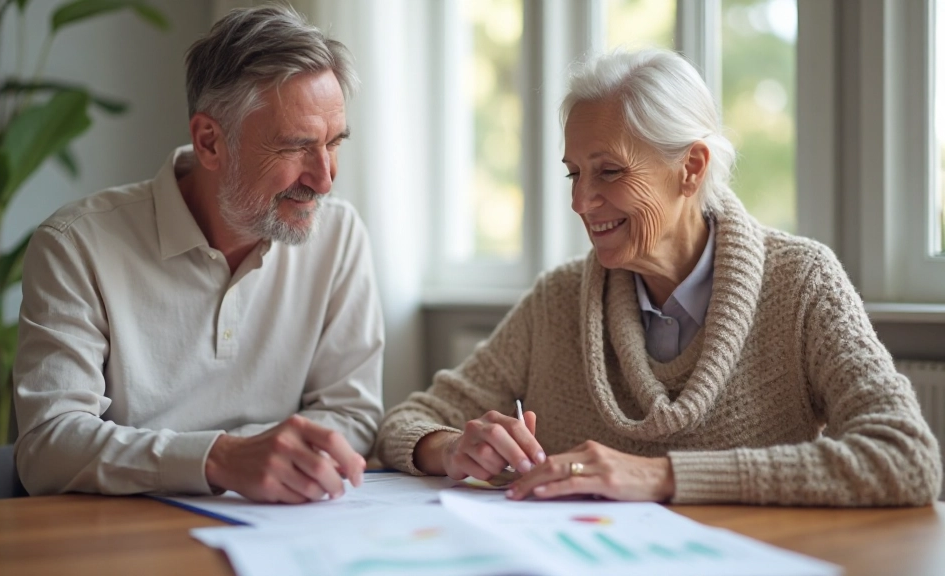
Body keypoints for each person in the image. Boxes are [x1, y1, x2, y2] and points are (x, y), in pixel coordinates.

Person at [376, 48, 942, 506]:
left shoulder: (802, 284)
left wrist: (658, 476)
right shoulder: (558, 300)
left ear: (690, 168)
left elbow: (906, 457)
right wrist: (450, 449)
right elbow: (405, 422)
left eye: (609, 171)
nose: (580, 200)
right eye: (574, 173)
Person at [14, 5, 384, 504]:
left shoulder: (339, 237)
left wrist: (271, 461)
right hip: (124, 539)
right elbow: (48, 446)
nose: (325, 178)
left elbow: (354, 415)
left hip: (279, 531)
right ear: (210, 142)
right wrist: (221, 459)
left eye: (333, 143)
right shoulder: (76, 245)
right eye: (296, 148)